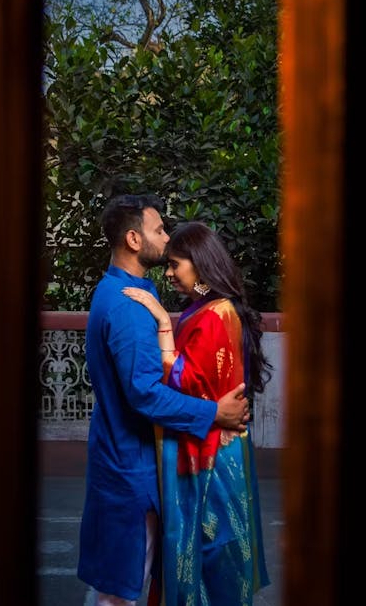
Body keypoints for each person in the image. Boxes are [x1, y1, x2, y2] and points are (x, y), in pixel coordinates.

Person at [78, 195, 251, 606]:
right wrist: (215, 412)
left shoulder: (129, 290)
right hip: (131, 467)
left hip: (125, 456)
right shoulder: (127, 306)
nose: (166, 238)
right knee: (119, 590)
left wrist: (164, 319)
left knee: (119, 582)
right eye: (158, 231)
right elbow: (145, 394)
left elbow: (199, 307)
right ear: (134, 239)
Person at [122, 221, 271, 605]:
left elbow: (184, 383)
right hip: (215, 442)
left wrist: (162, 323)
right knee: (211, 549)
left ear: (200, 263)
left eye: (175, 264)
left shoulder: (215, 314)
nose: (169, 274)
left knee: (214, 551)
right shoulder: (205, 308)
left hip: (213, 456)